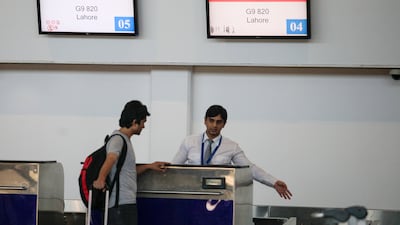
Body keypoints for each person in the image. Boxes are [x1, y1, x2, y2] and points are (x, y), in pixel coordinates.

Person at [172, 105, 292, 200]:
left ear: (224, 124)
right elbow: (174, 168)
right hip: (192, 196)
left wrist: (273, 182)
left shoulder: (232, 146)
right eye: (211, 120)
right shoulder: (189, 142)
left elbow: (250, 168)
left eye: (219, 122)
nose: (214, 125)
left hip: (219, 198)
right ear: (205, 121)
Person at [93, 100, 169, 225]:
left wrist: (149, 166)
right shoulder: (118, 139)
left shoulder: (124, 140)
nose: (143, 126)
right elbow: (111, 158)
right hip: (120, 205)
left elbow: (127, 170)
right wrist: (101, 179)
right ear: (134, 122)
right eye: (143, 122)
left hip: (125, 203)